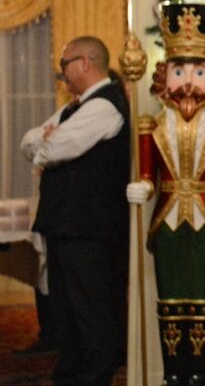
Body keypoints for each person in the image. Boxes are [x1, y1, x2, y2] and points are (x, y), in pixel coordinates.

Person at [125, 3, 205, 386]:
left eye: (198, 72)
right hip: (168, 222)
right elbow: (148, 175)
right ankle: (173, 377)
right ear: (165, 76)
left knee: (204, 303)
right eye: (179, 72)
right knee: (171, 304)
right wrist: (143, 187)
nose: (188, 82)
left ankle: (198, 376)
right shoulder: (151, 125)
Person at [22, 35, 130, 385]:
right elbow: (28, 141)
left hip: (90, 226)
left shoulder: (105, 105)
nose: (61, 73)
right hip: (65, 224)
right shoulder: (75, 108)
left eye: (64, 64)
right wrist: (45, 142)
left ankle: (94, 377)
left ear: (85, 63)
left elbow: (56, 147)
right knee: (65, 309)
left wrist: (47, 144)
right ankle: (69, 374)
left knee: (90, 309)